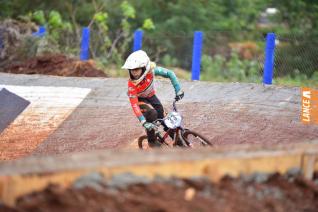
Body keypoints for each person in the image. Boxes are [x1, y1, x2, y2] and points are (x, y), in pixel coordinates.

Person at [122, 50, 184, 147]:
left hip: (151, 96)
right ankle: (152, 141)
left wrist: (178, 90)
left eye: (136, 69)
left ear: (144, 67)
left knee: (163, 116)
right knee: (152, 113)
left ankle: (176, 139)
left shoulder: (152, 70)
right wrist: (143, 122)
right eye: (131, 70)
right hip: (140, 100)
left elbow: (170, 73)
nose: (134, 73)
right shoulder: (131, 85)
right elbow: (134, 105)